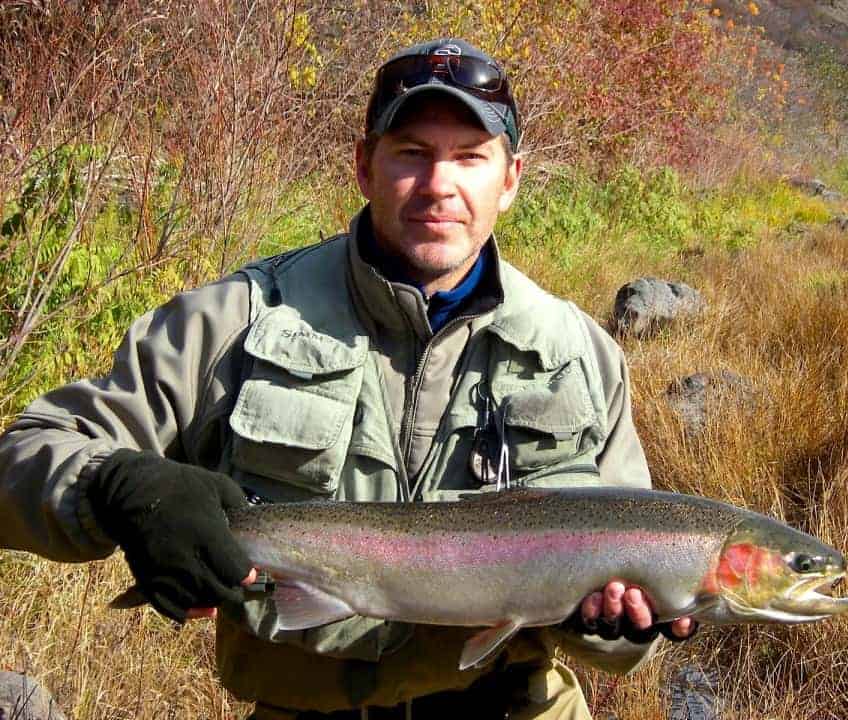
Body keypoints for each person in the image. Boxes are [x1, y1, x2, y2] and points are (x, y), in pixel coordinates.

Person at [0, 38, 694, 720]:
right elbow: (26, 453)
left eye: (470, 158)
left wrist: (619, 635)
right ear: (364, 166)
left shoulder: (584, 353)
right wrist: (118, 488)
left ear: (509, 179)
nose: (439, 185)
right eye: (412, 154)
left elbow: (631, 610)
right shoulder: (236, 320)